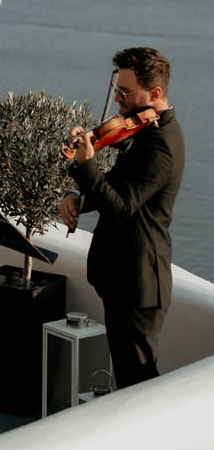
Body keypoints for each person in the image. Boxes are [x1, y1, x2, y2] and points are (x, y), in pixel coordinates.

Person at [59, 46, 185, 388]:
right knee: (128, 381)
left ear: (155, 93)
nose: (118, 101)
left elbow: (120, 208)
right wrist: (78, 199)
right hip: (123, 278)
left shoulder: (160, 146)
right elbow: (115, 187)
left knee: (138, 384)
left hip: (139, 284)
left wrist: (87, 165)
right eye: (117, 90)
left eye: (126, 93)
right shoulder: (144, 133)